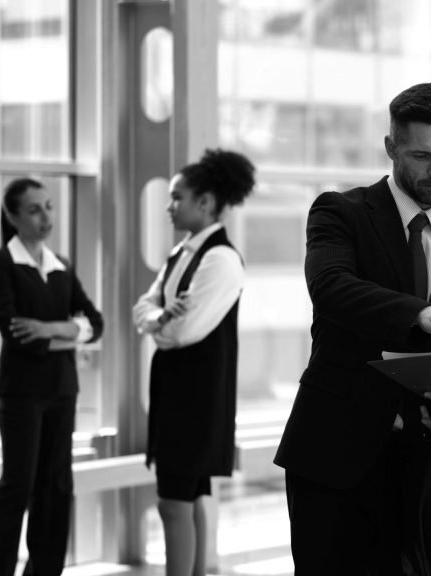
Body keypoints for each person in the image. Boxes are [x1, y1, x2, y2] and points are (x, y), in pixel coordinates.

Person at [273, 82, 431, 574]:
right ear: (391, 147)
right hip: (334, 459)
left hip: (422, 463)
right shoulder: (341, 212)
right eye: (421, 156)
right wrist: (422, 312)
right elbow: (330, 287)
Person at [132, 149, 255, 576]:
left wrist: (158, 325)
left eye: (176, 197)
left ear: (204, 202)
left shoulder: (219, 260)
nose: (169, 206)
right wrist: (157, 318)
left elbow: (181, 333)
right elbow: (144, 308)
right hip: (179, 392)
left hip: (196, 398)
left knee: (174, 500)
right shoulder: (184, 251)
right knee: (190, 493)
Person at [0, 178, 104, 576]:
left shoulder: (61, 264)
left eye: (49, 206)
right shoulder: (0, 263)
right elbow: (16, 333)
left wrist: (50, 329)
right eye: (34, 209)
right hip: (22, 395)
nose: (46, 216)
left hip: (62, 391)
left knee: (56, 487)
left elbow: (96, 324)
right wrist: (70, 330)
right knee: (18, 487)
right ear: (13, 217)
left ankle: (45, 571)